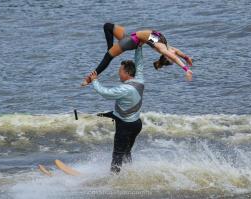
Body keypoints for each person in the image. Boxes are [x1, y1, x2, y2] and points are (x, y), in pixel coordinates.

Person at [89, 46, 144, 174]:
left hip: (125, 126)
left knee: (117, 154)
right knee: (126, 151)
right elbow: (139, 64)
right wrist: (138, 48)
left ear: (127, 73)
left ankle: (113, 179)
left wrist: (94, 81)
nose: (119, 73)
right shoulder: (140, 80)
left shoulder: (124, 89)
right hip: (136, 124)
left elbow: (105, 93)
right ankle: (129, 171)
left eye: (120, 71)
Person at [82, 23, 193, 86]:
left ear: (166, 56)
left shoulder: (162, 48)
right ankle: (110, 48)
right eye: (173, 55)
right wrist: (186, 58)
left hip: (132, 42)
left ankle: (90, 78)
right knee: (107, 26)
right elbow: (177, 52)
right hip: (131, 36)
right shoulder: (168, 46)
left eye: (171, 57)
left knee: (108, 57)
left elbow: (174, 56)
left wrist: (186, 69)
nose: (174, 55)